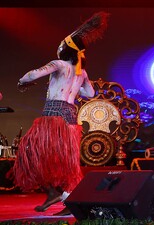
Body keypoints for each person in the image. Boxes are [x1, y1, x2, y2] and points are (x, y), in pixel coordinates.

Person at [13, 12, 108, 212]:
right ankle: (63, 197)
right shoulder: (81, 72)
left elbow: (32, 74)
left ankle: (61, 195)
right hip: (70, 119)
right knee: (64, 162)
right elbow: (90, 93)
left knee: (30, 154)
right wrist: (77, 85)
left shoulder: (59, 64)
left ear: (64, 49)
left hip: (53, 118)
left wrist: (22, 81)